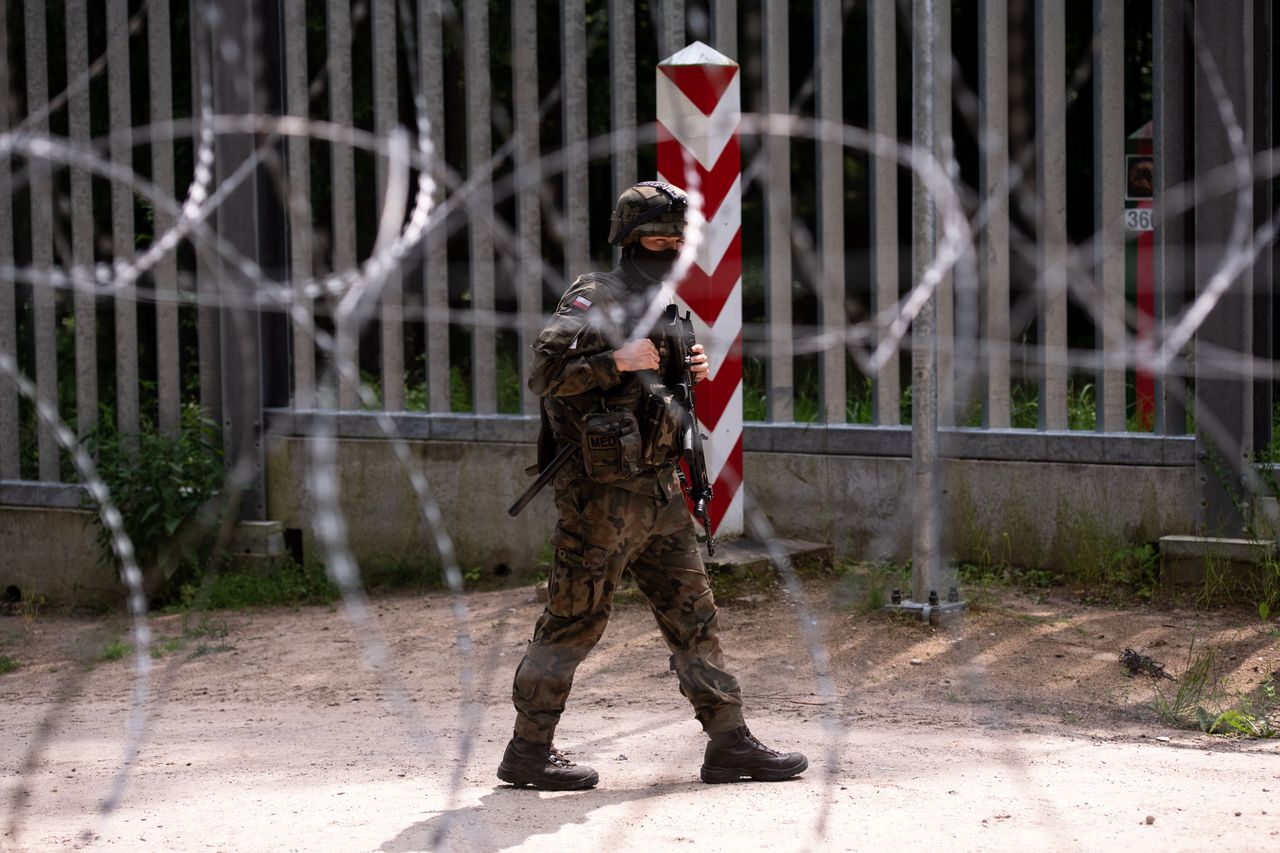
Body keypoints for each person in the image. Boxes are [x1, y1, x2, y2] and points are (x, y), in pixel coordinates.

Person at [497, 181, 808, 790]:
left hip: (659, 492)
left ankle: (729, 744)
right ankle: (527, 753)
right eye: (655, 237)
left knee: (695, 617)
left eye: (675, 238)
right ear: (628, 239)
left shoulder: (666, 303)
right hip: (600, 501)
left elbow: (657, 389)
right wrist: (616, 361)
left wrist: (686, 364)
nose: (667, 247)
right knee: (573, 622)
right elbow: (542, 375)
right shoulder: (594, 296)